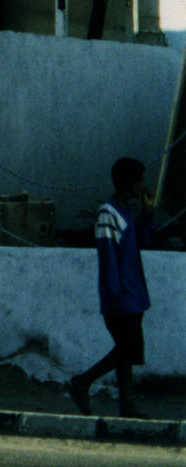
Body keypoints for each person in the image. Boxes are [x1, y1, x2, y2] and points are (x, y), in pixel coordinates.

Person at [68, 157, 156, 418]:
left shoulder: (127, 212)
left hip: (133, 296)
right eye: (140, 181)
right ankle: (82, 382)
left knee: (126, 355)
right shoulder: (108, 214)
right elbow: (108, 260)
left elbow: (147, 242)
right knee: (127, 351)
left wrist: (147, 213)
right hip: (121, 298)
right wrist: (114, 297)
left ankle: (126, 407)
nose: (143, 186)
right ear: (131, 183)